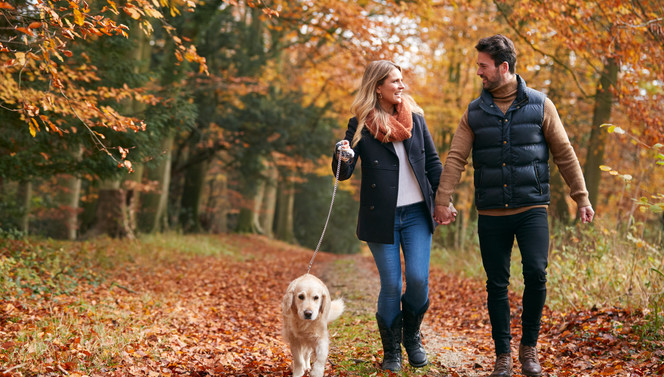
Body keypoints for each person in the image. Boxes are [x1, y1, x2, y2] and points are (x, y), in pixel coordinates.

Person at [433, 34, 595, 377]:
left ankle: (529, 349)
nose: (478, 71)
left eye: (483, 65)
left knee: (536, 273)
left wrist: (581, 196)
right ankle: (503, 355)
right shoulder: (474, 113)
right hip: (491, 213)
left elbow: (564, 153)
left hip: (532, 208)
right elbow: (456, 158)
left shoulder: (540, 105)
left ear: (502, 67)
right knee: (497, 284)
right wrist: (442, 200)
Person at [332, 60, 454, 372]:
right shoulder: (360, 123)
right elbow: (343, 172)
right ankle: (392, 352)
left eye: (401, 80)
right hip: (380, 217)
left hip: (416, 214)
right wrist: (342, 155)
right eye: (395, 82)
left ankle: (411, 336)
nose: (401, 86)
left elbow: (433, 163)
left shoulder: (415, 117)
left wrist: (443, 201)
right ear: (378, 87)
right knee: (391, 283)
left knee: (417, 279)